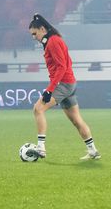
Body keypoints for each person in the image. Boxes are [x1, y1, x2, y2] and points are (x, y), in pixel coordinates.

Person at [26, 13, 100, 161]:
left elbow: (61, 67)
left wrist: (50, 89)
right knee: (76, 120)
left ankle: (41, 147)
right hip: (69, 84)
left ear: (42, 29)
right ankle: (93, 151)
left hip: (63, 85)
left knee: (38, 109)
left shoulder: (53, 41)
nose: (34, 37)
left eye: (34, 34)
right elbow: (67, 62)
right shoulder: (53, 41)